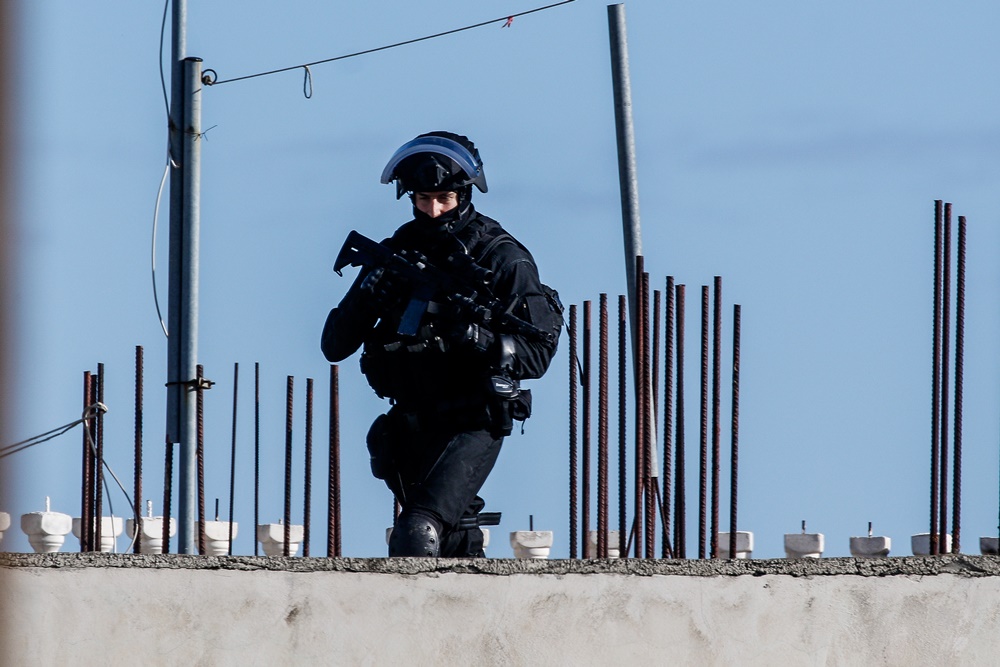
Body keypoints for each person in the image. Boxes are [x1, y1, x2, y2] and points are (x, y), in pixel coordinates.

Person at [321, 131, 561, 557]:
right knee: (454, 543)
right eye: (422, 199)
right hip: (413, 422)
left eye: (444, 199)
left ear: (465, 194)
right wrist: (369, 296)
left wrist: (472, 335)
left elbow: (538, 353)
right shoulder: (398, 253)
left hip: (473, 419)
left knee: (417, 533)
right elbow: (334, 345)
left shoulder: (501, 258)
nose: (432, 210)